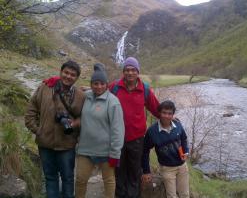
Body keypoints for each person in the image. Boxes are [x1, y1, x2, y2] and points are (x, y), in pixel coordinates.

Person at [25, 60, 85, 198]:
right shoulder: (45, 88)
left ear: (76, 78)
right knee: (50, 178)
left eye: (73, 75)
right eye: (66, 72)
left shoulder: (80, 96)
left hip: (67, 145)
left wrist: (74, 123)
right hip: (45, 144)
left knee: (68, 178)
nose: (68, 76)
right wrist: (37, 129)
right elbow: (31, 110)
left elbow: (85, 117)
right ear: (61, 72)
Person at [109, 57, 160, 198]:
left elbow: (156, 108)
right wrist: (88, 90)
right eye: (127, 70)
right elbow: (99, 93)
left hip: (137, 140)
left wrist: (169, 118)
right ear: (123, 72)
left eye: (133, 70)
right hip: (117, 139)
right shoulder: (114, 87)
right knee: (118, 171)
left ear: (138, 72)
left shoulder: (145, 90)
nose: (130, 73)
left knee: (134, 171)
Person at [75, 63, 125, 198]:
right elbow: (70, 89)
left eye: (102, 83)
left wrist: (115, 153)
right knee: (80, 179)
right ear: (91, 84)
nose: (99, 87)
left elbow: (118, 130)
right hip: (85, 149)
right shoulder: (86, 96)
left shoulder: (113, 102)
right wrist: (55, 81)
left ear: (106, 84)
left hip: (106, 151)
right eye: (95, 83)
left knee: (108, 180)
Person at [141, 100, 190, 198]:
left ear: (173, 115)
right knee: (171, 196)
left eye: (169, 113)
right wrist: (146, 171)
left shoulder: (178, 125)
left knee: (185, 194)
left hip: (182, 167)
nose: (166, 116)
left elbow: (184, 139)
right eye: (164, 113)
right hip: (167, 169)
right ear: (159, 113)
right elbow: (145, 151)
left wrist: (186, 151)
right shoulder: (152, 132)